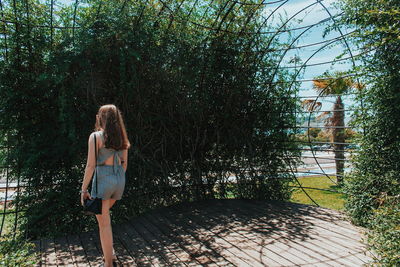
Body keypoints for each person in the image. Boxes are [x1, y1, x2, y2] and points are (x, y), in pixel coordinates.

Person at [80, 104, 130, 267]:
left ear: (101, 118)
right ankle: (111, 253)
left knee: (104, 224)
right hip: (118, 181)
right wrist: (116, 179)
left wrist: (83, 189)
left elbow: (90, 166)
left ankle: (109, 263)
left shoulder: (95, 137)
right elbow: (124, 165)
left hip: (103, 181)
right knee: (104, 218)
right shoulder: (122, 138)